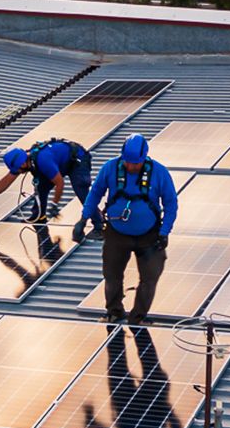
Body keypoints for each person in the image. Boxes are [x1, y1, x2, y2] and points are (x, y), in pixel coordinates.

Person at [74, 133, 178, 324]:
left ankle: (138, 317)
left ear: (144, 158)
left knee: (150, 277)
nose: (131, 166)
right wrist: (83, 219)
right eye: (128, 162)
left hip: (149, 235)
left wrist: (164, 232)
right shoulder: (110, 168)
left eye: (136, 163)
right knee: (112, 276)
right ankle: (114, 311)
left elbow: (171, 204)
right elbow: (95, 193)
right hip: (117, 233)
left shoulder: (159, 173)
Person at [0, 137, 93, 222]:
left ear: (24, 163)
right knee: (41, 187)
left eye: (19, 169)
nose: (18, 172)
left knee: (81, 190)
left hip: (78, 160)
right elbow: (6, 181)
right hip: (59, 163)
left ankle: (98, 223)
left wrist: (54, 204)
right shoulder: (22, 161)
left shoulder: (43, 160)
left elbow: (60, 183)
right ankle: (39, 216)